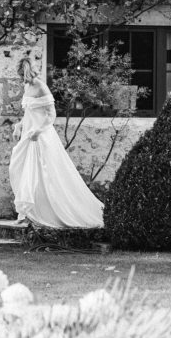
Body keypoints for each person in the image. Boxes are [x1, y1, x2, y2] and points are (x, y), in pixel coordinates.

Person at [9, 57, 105, 228]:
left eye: (21, 74)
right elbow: (29, 113)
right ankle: (28, 212)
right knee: (21, 169)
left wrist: (38, 130)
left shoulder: (41, 86)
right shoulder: (27, 87)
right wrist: (19, 125)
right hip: (28, 136)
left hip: (41, 136)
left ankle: (37, 214)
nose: (20, 78)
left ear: (26, 72)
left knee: (43, 174)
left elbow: (51, 114)